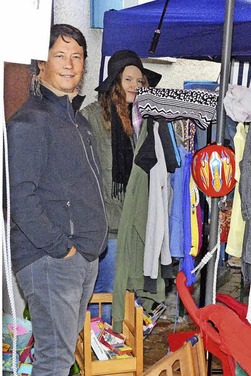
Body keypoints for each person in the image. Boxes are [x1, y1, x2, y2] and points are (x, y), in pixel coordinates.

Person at [7, 24, 108, 375]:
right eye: (60, 55)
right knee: (55, 360)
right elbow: (18, 196)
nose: (69, 64)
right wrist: (60, 247)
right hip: (52, 260)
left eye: (77, 56)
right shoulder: (30, 121)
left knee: (62, 358)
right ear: (41, 63)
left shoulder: (77, 121)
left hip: (79, 256)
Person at [81, 50, 161, 324]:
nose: (134, 86)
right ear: (115, 82)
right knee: (103, 293)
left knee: (132, 292)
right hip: (109, 225)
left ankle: (119, 350)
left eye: (140, 81)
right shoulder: (92, 117)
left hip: (137, 222)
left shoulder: (145, 122)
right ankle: (98, 355)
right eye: (128, 79)